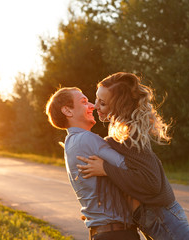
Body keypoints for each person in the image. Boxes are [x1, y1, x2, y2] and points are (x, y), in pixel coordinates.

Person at [77, 72, 189, 240]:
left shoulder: (129, 136)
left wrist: (105, 168)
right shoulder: (119, 133)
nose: (95, 105)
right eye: (96, 99)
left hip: (161, 215)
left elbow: (151, 183)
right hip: (151, 216)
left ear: (118, 106)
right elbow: (124, 181)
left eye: (103, 103)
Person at [45, 87, 143, 240]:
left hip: (104, 233)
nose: (92, 106)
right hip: (117, 234)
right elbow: (132, 169)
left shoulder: (72, 142)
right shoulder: (86, 139)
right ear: (67, 111)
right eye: (84, 102)